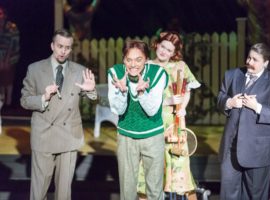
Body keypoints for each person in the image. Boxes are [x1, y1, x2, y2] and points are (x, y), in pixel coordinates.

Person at [20, 28, 97, 200]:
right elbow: (24, 100)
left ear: (71, 49)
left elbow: (93, 100)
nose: (63, 51)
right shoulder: (35, 69)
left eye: (67, 47)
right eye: (60, 46)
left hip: (68, 136)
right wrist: (44, 97)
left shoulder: (79, 71)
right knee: (38, 192)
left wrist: (92, 91)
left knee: (63, 193)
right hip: (43, 136)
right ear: (52, 46)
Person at [217, 43, 270, 199]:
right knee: (228, 194)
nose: (249, 62)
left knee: (254, 196)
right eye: (249, 57)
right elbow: (220, 98)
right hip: (231, 148)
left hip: (258, 150)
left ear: (266, 63)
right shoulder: (232, 75)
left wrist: (258, 107)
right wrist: (229, 102)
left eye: (255, 59)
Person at [137, 31, 201, 199]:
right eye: (163, 46)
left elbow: (186, 91)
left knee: (179, 164)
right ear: (157, 44)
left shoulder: (180, 66)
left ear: (174, 53)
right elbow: (141, 97)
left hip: (174, 122)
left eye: (169, 50)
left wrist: (183, 107)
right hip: (153, 121)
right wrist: (167, 101)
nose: (164, 51)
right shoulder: (146, 67)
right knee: (148, 165)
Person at [108, 39, 168, 200]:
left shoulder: (158, 74)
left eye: (138, 59)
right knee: (127, 190)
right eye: (129, 59)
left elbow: (152, 110)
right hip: (126, 136)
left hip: (153, 136)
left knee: (154, 190)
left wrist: (141, 93)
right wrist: (121, 92)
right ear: (123, 60)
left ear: (147, 59)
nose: (133, 64)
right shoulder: (116, 74)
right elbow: (117, 109)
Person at [0, 5, 20, 106]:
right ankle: (3, 102)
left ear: (5, 15)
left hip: (10, 58)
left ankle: (9, 102)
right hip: (1, 58)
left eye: (1, 13)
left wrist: (6, 59)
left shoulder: (12, 27)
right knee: (2, 80)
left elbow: (13, 44)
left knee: (8, 78)